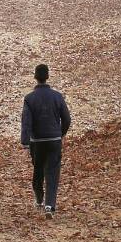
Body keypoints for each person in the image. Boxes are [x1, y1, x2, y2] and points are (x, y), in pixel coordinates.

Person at [20, 63, 71, 218]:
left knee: (38, 170)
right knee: (52, 172)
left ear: (35, 77)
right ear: (47, 77)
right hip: (54, 139)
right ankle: (50, 205)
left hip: (37, 141)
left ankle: (39, 198)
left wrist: (25, 141)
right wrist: (60, 134)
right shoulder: (57, 96)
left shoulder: (29, 98)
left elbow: (26, 121)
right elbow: (67, 119)